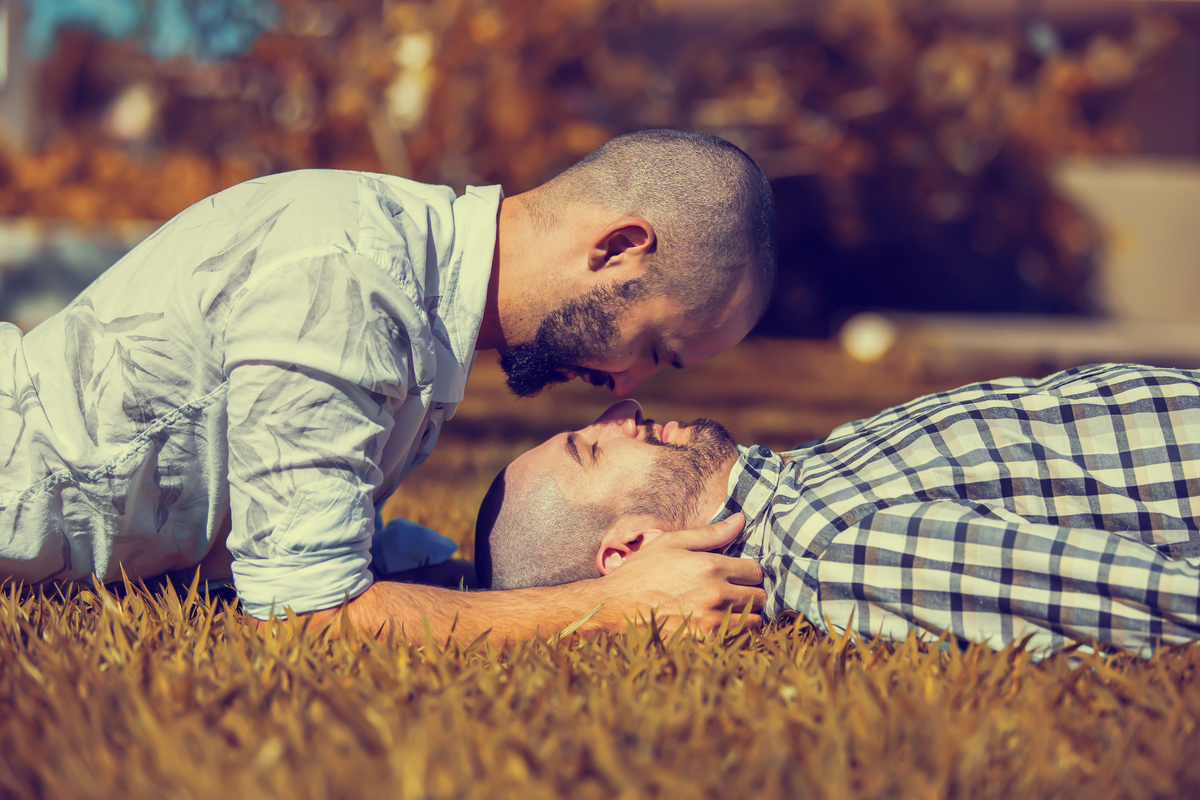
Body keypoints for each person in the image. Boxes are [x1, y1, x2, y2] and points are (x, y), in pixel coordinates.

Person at [0, 129, 776, 641]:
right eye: (652, 347)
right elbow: (303, 609)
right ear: (618, 248)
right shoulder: (352, 278)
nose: (624, 387)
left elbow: (254, 540)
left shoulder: (420, 284)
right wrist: (610, 606)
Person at [477, 363, 1200, 656]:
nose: (623, 409)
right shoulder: (840, 551)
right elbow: (1160, 604)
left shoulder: (812, 474)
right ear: (630, 548)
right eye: (591, 449)